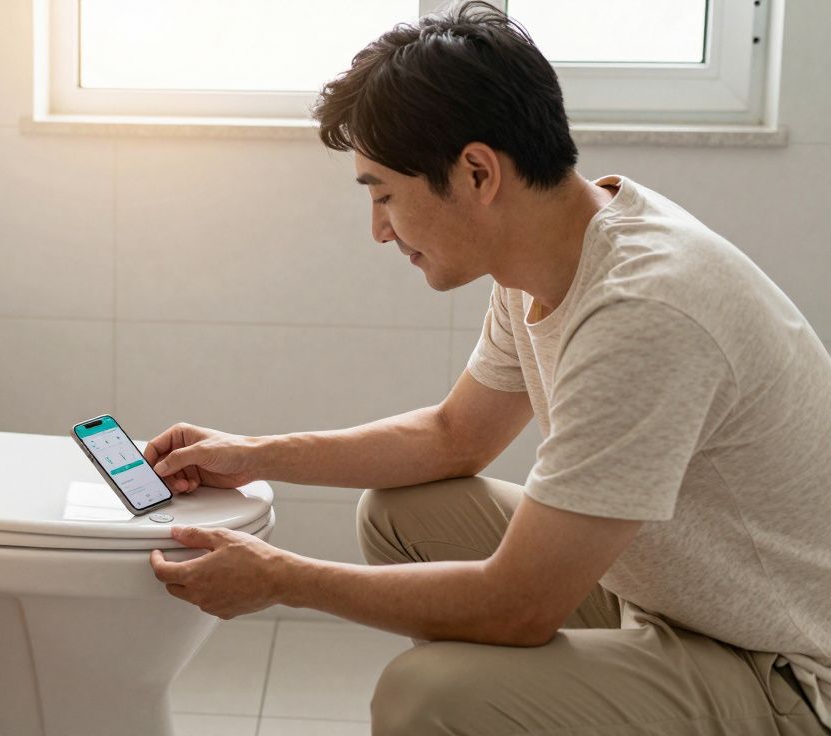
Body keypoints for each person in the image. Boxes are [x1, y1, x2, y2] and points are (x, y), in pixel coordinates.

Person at [141, 3, 831, 734]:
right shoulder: (550, 255)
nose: (379, 230)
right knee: (403, 515)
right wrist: (250, 455)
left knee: (428, 696)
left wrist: (282, 579)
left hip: (782, 671)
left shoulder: (644, 310)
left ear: (476, 172)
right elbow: (453, 437)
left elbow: (519, 607)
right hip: (673, 604)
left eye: (384, 194)